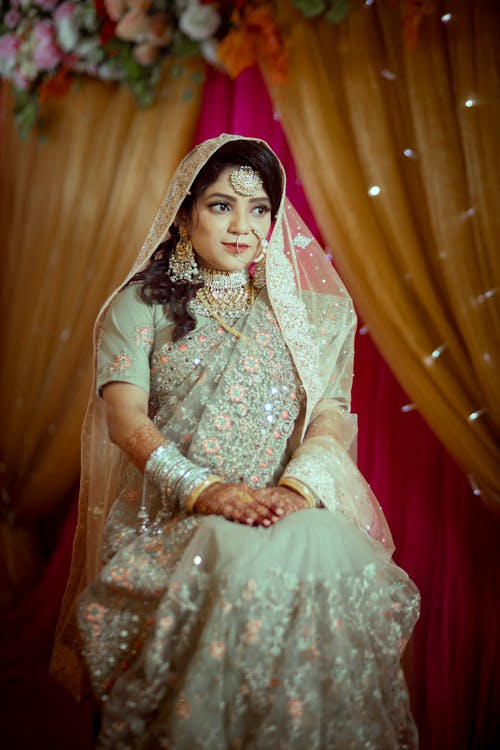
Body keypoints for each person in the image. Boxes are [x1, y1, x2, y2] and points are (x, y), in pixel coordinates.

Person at [51, 134, 420, 749]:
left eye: (259, 210)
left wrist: (299, 491)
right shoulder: (138, 307)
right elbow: (125, 421)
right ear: (185, 211)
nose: (242, 227)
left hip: (285, 511)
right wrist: (207, 491)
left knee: (320, 555)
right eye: (222, 205)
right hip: (172, 520)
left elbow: (331, 412)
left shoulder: (310, 317)